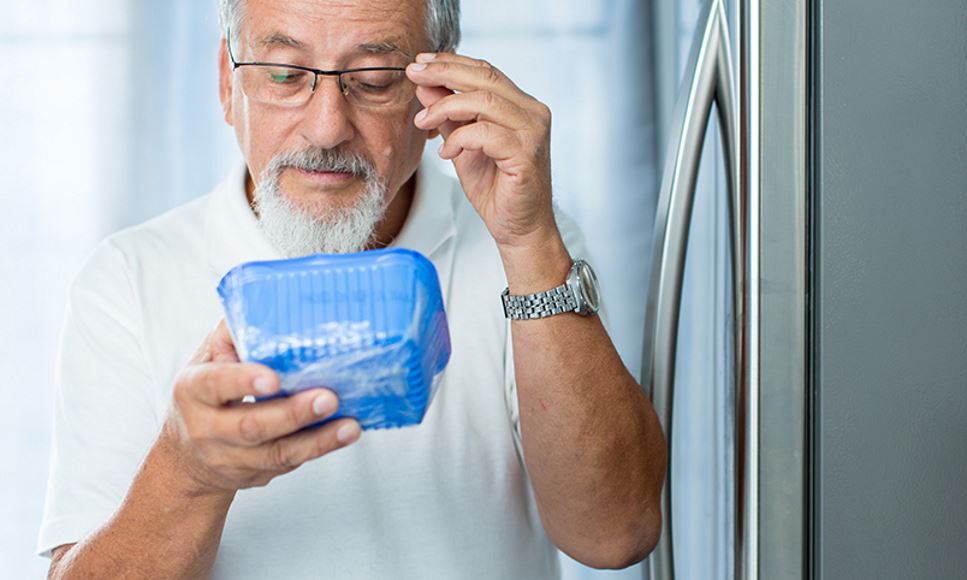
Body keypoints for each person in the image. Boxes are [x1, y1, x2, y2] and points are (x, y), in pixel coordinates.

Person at [39, 0, 667, 578]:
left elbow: (617, 535)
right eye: (285, 74)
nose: (325, 129)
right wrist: (189, 472)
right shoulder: (126, 279)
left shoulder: (525, 246)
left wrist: (530, 244)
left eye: (373, 80)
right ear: (229, 85)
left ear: (439, 94)